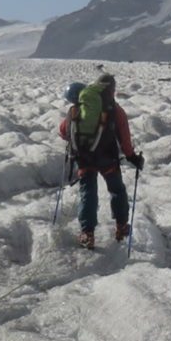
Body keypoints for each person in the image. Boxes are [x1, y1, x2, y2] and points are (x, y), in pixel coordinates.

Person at [58, 73, 144, 248]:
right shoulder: (115, 109)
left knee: (88, 193)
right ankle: (121, 227)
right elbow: (125, 138)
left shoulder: (76, 109)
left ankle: (87, 233)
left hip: (83, 158)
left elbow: (63, 131)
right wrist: (133, 157)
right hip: (108, 159)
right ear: (111, 89)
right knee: (117, 190)